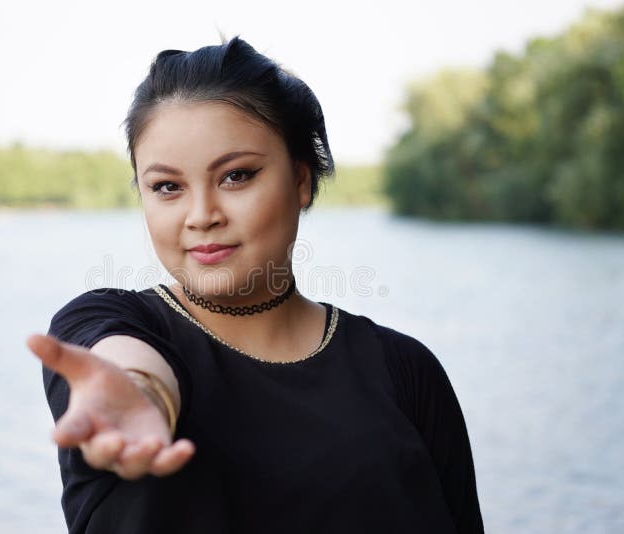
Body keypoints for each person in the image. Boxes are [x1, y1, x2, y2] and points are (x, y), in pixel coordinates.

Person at [27, 36, 484, 534]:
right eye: (167, 187)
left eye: (236, 176)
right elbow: (128, 364)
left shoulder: (406, 373)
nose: (202, 216)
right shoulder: (109, 324)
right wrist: (142, 397)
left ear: (302, 181)